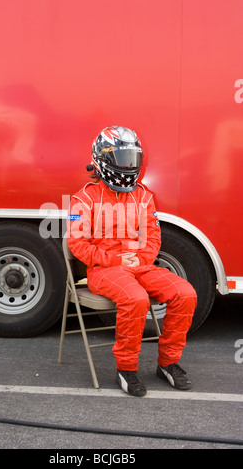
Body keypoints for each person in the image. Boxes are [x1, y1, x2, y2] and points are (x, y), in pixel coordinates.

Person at [67, 126, 197, 397]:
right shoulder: (84, 198)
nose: (129, 165)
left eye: (132, 159)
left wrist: (140, 259)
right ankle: (126, 368)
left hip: (141, 266)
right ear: (103, 159)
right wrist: (115, 259)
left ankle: (168, 363)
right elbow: (77, 244)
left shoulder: (144, 195)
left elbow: (153, 236)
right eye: (122, 159)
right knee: (136, 299)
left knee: (186, 294)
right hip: (104, 270)